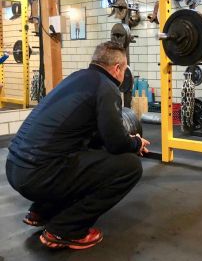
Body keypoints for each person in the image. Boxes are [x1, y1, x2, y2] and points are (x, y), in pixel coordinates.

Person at [5, 41, 150, 249]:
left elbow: (99, 137)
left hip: (15, 168)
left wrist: (129, 140)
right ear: (118, 69)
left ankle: (42, 210)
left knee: (87, 152)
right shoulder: (107, 88)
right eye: (125, 69)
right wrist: (135, 143)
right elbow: (116, 143)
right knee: (130, 167)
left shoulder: (76, 78)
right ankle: (66, 229)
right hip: (39, 175)